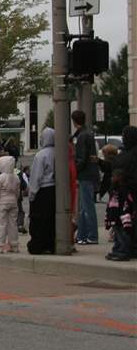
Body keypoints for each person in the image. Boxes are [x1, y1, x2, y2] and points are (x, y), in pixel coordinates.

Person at [105, 126, 137, 260]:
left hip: (124, 196)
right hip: (130, 195)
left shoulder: (123, 157)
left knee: (123, 224)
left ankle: (123, 250)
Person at [70, 110, 100, 245]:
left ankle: (92, 235)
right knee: (84, 207)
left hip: (84, 175)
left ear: (74, 121)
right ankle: (83, 234)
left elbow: (81, 158)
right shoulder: (87, 133)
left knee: (87, 206)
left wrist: (74, 169)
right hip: (89, 173)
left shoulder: (82, 136)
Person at [27, 128, 57, 254]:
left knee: (39, 220)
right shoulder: (58, 152)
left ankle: (38, 245)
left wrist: (32, 194)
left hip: (42, 190)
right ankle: (50, 244)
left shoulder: (41, 155)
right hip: (54, 189)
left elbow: (36, 176)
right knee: (51, 220)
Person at [0, 155, 21, 253]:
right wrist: (15, 200)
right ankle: (14, 245)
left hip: (2, 204)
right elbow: (17, 193)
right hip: (13, 203)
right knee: (13, 224)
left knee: (2, 225)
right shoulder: (16, 178)